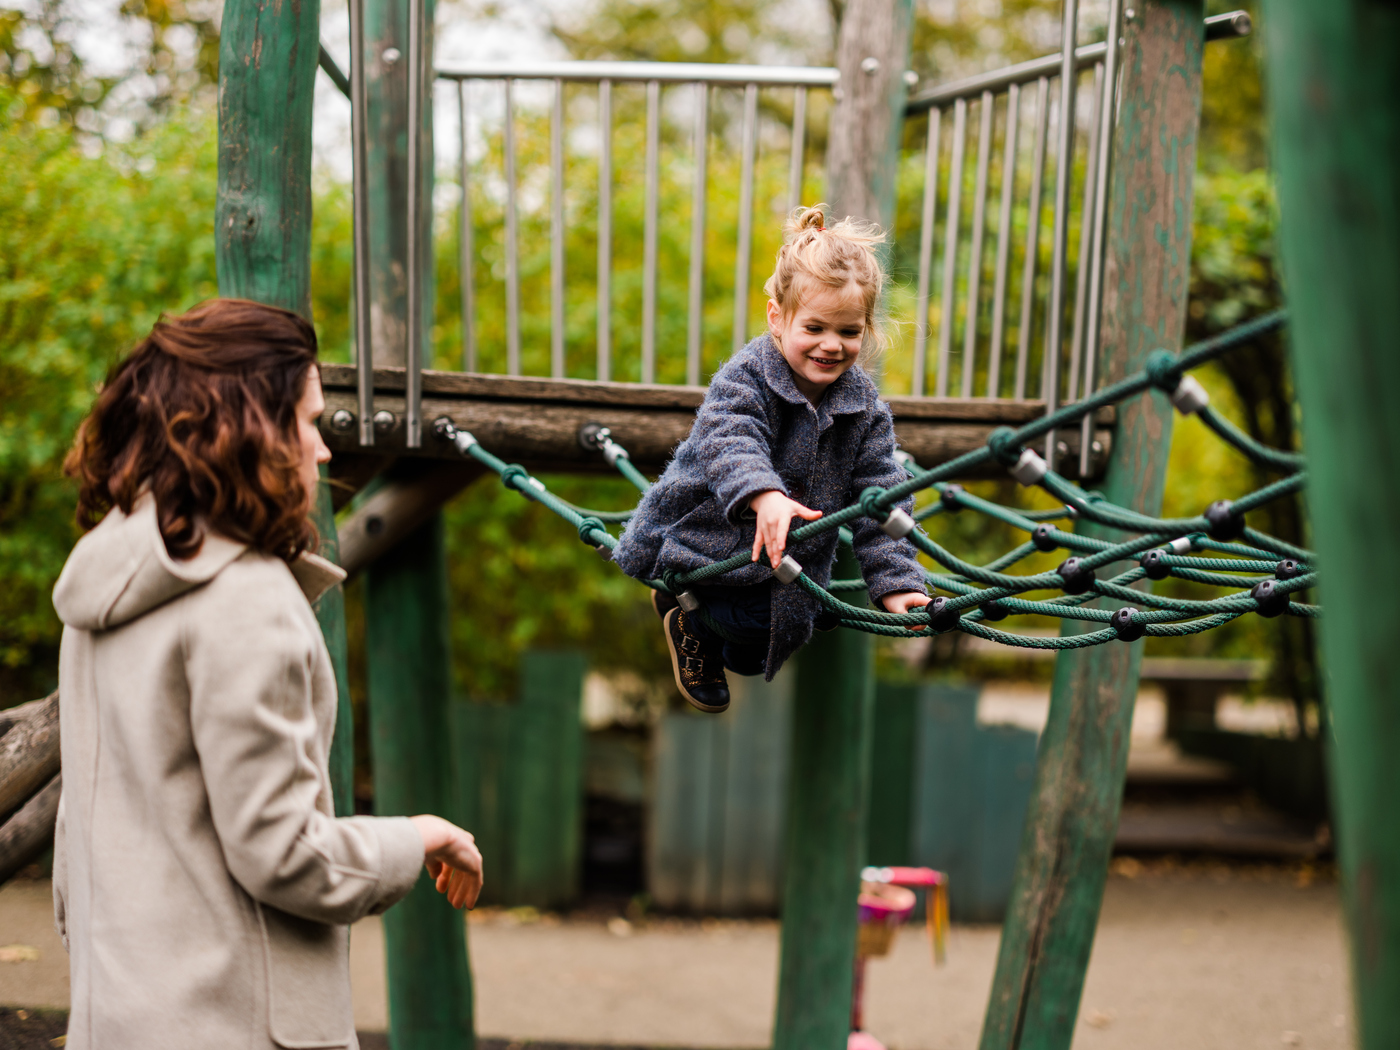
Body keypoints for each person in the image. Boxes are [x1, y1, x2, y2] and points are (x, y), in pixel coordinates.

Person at [50, 298, 482, 1049]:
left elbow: (74, 858)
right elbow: (285, 854)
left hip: (117, 1015)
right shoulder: (243, 598)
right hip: (231, 1023)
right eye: (309, 422)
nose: (322, 450)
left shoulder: (104, 574)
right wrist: (416, 838)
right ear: (246, 427)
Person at [612, 205, 931, 713]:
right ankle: (687, 615)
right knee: (754, 623)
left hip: (783, 559)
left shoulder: (865, 407)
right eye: (815, 327)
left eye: (849, 332)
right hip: (707, 541)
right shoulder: (745, 376)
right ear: (777, 318)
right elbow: (731, 438)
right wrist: (764, 495)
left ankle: (732, 624)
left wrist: (897, 583)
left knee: (755, 652)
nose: (832, 345)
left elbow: (882, 497)